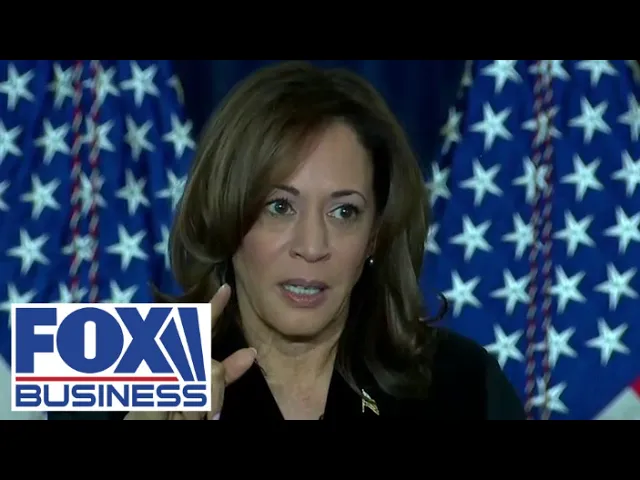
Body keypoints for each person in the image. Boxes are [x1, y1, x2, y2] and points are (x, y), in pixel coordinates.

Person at [51, 61, 526, 421]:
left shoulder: (463, 383)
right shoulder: (95, 358)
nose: (312, 246)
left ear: (374, 235)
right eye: (279, 207)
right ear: (227, 214)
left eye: (344, 212)